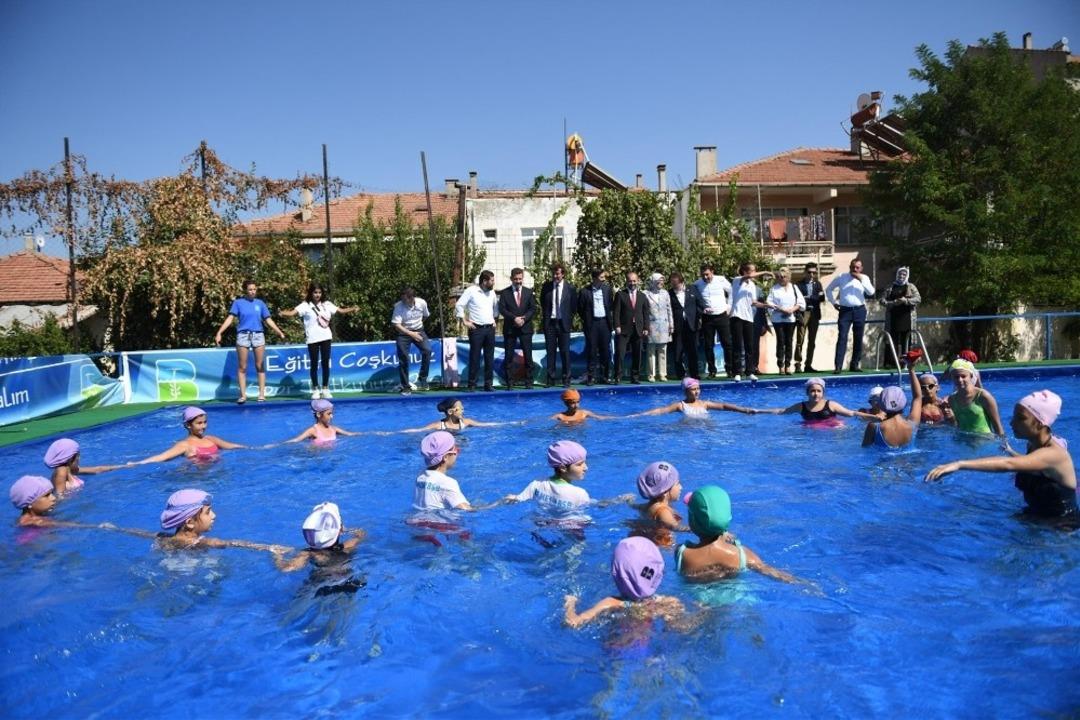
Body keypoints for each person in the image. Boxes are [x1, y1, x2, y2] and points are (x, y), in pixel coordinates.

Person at [926, 390, 1076, 520]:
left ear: (1041, 423)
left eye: (1021, 418)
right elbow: (1030, 464)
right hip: (1034, 515)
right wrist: (1010, 451)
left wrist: (959, 464)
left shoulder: (1054, 454)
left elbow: (1008, 464)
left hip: (1060, 526)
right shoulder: (1033, 444)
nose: (1012, 423)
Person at [676, 486, 799, 583]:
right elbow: (768, 570)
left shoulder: (682, 553)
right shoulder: (740, 554)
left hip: (698, 601)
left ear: (692, 521)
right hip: (734, 600)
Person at [563, 537, 688, 628]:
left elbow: (573, 622)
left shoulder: (610, 603)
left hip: (616, 655)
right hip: (648, 656)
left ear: (617, 575)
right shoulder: (668, 602)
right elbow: (682, 629)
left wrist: (570, 603)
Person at [279, 283, 357, 400]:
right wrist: (282, 313)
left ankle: (325, 389)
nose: (317, 295)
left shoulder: (327, 304)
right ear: (311, 293)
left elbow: (340, 311)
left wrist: (353, 309)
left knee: (325, 363)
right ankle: (315, 389)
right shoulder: (305, 305)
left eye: (319, 292)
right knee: (314, 364)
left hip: (326, 337)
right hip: (312, 339)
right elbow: (292, 313)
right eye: (315, 292)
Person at [214, 279, 287, 403]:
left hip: (258, 335)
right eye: (250, 290)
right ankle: (243, 395)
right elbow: (230, 318)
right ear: (245, 291)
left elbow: (268, 320)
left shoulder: (260, 303)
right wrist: (219, 332)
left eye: (254, 289)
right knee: (242, 366)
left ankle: (262, 394)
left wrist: (279, 332)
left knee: (259, 365)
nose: (253, 292)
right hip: (243, 335)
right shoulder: (238, 303)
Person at [157, 488, 288, 553]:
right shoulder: (203, 542)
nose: (214, 515)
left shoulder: (164, 538)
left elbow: (141, 533)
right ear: (190, 522)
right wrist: (270, 548)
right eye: (208, 512)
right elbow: (234, 543)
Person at [274, 502, 367, 572]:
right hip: (347, 582)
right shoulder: (348, 546)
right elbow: (361, 535)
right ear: (340, 530)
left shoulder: (308, 553)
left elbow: (286, 568)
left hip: (320, 585)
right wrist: (348, 530)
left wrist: (277, 554)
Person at [134, 406, 246, 464]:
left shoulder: (211, 439)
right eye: (199, 423)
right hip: (195, 478)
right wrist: (133, 464)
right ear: (188, 425)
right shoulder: (185, 445)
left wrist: (259, 448)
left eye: (205, 422)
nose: (203, 426)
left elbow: (233, 446)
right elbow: (162, 457)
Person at [504, 440, 591, 512]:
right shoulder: (580, 494)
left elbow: (518, 499)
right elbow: (585, 506)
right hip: (571, 525)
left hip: (542, 522)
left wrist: (511, 498)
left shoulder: (537, 484)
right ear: (563, 468)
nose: (586, 467)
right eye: (579, 464)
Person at [749, 377, 879, 424]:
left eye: (818, 391)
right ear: (807, 392)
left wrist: (874, 418)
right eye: (812, 391)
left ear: (823, 393)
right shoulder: (801, 406)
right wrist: (759, 411)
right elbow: (781, 411)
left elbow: (852, 413)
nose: (815, 394)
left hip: (832, 429)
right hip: (812, 432)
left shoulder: (831, 405)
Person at [825, 258, 875, 373]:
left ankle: (855, 364)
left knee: (858, 337)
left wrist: (861, 279)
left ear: (861, 268)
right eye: (853, 267)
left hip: (860, 310)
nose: (855, 269)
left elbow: (871, 292)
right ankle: (838, 366)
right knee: (842, 337)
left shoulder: (865, 278)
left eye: (857, 267)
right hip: (845, 311)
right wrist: (834, 303)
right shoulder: (842, 276)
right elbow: (828, 289)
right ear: (850, 267)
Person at [861, 360, 923, 449]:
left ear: (881, 405)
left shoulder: (874, 427)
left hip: (883, 463)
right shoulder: (912, 424)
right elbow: (917, 397)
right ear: (904, 404)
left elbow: (865, 450)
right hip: (909, 462)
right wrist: (911, 369)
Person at [455, 270, 499, 392]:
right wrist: (464, 321)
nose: (493, 282)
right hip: (476, 329)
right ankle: (472, 384)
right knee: (475, 357)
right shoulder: (471, 291)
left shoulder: (492, 293)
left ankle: (488, 384)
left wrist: (494, 320)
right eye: (492, 280)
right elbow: (459, 305)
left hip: (489, 329)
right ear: (484, 281)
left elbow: (495, 308)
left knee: (489, 358)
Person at [730, 263, 772, 381]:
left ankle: (749, 371)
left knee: (750, 346)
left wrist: (766, 305)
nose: (754, 273)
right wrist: (764, 272)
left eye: (755, 271)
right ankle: (737, 372)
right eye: (752, 271)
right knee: (738, 345)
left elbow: (753, 302)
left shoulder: (752, 285)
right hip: (737, 316)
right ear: (745, 272)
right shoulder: (737, 280)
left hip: (749, 317)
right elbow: (746, 278)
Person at [497, 268, 537, 390]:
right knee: (509, 356)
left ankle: (529, 381)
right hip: (510, 328)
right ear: (511, 279)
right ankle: (509, 382)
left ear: (522, 278)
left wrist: (524, 319)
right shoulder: (505, 293)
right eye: (516, 279)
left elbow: (533, 308)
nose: (518, 281)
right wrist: (514, 318)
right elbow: (502, 309)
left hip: (525, 328)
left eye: (520, 279)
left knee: (528, 356)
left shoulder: (528, 292)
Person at [390, 286, 434, 396]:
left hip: (419, 330)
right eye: (402, 299)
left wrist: (417, 328)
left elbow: (425, 316)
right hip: (403, 333)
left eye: (405, 299)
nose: (403, 301)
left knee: (427, 350)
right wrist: (411, 334)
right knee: (404, 357)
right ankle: (405, 387)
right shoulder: (399, 306)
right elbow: (397, 325)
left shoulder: (422, 303)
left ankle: (422, 378)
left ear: (412, 298)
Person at [638, 377, 754, 418]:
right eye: (693, 389)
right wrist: (638, 415)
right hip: (688, 430)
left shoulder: (704, 404)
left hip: (705, 429)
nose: (697, 392)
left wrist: (743, 410)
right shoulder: (681, 405)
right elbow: (661, 410)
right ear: (685, 391)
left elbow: (724, 406)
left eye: (698, 389)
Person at [944, 359, 1004, 436]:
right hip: (963, 442)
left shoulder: (983, 396)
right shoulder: (952, 399)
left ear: (971, 376)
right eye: (956, 377)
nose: (960, 380)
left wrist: (1004, 445)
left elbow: (997, 425)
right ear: (951, 377)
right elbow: (957, 425)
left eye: (963, 376)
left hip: (984, 442)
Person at [413, 431, 471, 511]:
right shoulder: (448, 483)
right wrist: (490, 506)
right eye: (456, 450)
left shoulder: (420, 478)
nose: (457, 454)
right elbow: (466, 510)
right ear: (446, 457)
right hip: (440, 523)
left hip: (416, 521)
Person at [44, 438, 121, 498]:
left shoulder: (71, 470)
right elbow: (59, 496)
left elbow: (97, 470)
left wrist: (123, 466)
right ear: (70, 458)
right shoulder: (61, 471)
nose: (80, 458)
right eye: (78, 455)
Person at [540, 262, 577, 387]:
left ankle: (566, 379)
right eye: (554, 273)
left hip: (563, 324)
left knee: (565, 352)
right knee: (550, 352)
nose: (555, 276)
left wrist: (567, 319)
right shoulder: (546, 287)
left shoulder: (570, 288)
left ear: (563, 274)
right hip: (550, 323)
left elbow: (573, 307)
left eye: (558, 274)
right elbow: (543, 303)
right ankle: (550, 379)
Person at [694, 263, 734, 379]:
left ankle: (729, 369)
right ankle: (712, 370)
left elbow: (732, 291)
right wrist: (701, 311)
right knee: (708, 345)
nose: (705, 277)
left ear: (712, 272)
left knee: (727, 343)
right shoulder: (697, 284)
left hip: (722, 315)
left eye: (707, 274)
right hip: (707, 318)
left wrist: (729, 307)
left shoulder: (721, 280)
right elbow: (695, 299)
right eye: (703, 275)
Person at [764, 267, 806, 375]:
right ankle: (780, 365)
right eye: (779, 277)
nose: (781, 278)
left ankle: (788, 365)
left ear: (788, 277)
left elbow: (801, 303)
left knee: (789, 342)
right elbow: (769, 303)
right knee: (781, 341)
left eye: (784, 276)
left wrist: (791, 310)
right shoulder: (774, 289)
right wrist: (781, 309)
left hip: (791, 318)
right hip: (778, 319)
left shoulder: (794, 287)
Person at [577, 268, 614, 385]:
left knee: (605, 351)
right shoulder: (584, 291)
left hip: (604, 323)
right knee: (591, 351)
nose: (603, 280)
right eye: (601, 277)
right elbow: (580, 309)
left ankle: (605, 376)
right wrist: (588, 319)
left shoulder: (607, 289)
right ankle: (591, 377)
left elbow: (610, 305)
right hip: (592, 324)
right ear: (594, 278)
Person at [612, 272, 649, 384]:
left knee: (637, 354)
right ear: (626, 281)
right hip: (624, 329)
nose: (632, 283)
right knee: (620, 353)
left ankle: (635, 377)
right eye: (630, 281)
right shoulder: (620, 295)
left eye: (634, 281)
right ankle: (618, 377)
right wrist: (617, 325)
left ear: (637, 281)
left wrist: (646, 327)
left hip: (638, 329)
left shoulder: (642, 296)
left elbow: (646, 313)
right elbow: (616, 312)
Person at [635, 461, 686, 538]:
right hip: (664, 545)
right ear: (665, 491)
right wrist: (695, 529)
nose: (681, 487)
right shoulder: (663, 511)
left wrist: (628, 500)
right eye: (678, 484)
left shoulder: (646, 506)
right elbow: (675, 527)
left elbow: (633, 505)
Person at [668, 272, 702, 380]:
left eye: (676, 284)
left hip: (691, 325)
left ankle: (695, 374)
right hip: (677, 326)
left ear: (682, 282)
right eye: (672, 284)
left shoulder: (692, 289)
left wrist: (700, 315)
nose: (674, 286)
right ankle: (680, 374)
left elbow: (699, 303)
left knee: (693, 350)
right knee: (678, 351)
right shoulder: (669, 293)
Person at [285, 399, 362, 445]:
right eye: (329, 414)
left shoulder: (333, 429)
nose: (332, 416)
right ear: (318, 414)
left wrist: (371, 433)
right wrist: (275, 445)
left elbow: (350, 434)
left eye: (332, 413)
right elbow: (296, 440)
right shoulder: (313, 430)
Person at [882, 266, 921, 354]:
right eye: (900, 274)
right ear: (897, 274)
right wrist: (892, 303)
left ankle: (906, 363)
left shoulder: (911, 287)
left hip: (907, 318)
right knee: (892, 339)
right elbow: (882, 300)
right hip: (893, 318)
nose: (902, 276)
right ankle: (891, 363)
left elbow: (918, 299)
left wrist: (906, 300)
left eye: (904, 274)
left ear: (907, 275)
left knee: (906, 340)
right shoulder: (890, 286)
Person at [643, 273, 674, 382]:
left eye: (662, 281)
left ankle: (662, 374)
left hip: (664, 326)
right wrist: (644, 326)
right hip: (651, 325)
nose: (661, 283)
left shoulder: (665, 293)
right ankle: (651, 374)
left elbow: (669, 309)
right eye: (658, 281)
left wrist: (671, 324)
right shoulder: (645, 293)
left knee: (662, 351)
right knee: (651, 351)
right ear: (653, 281)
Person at [407, 398, 503, 433]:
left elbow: (485, 425)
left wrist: (512, 423)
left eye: (462, 408)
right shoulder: (438, 425)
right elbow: (418, 430)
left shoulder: (466, 422)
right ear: (450, 412)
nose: (462, 410)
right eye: (459, 408)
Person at [794, 262, 824, 373]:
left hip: (815, 313)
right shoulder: (799, 285)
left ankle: (808, 364)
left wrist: (808, 297)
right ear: (805, 272)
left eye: (814, 273)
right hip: (803, 313)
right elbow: (798, 299)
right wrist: (813, 297)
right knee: (800, 340)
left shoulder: (818, 284)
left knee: (812, 341)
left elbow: (822, 298)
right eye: (810, 272)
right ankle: (798, 364)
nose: (812, 275)